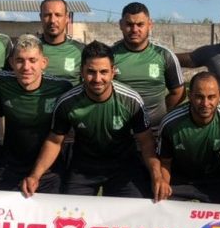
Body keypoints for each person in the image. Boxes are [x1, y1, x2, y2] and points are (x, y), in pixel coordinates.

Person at [22, 41, 167, 201]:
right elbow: (54, 142)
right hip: (84, 168)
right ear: (82, 72)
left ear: (113, 72)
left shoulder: (131, 100)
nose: (97, 79)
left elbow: (146, 143)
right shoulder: (67, 102)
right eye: (91, 72)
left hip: (123, 167)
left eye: (103, 72)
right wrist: (35, 175)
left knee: (136, 210)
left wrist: (157, 176)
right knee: (69, 211)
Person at [0, 35, 73, 192]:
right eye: (20, 60)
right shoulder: (0, 82)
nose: (26, 67)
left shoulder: (62, 88)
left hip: (49, 171)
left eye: (32, 60)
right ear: (11, 63)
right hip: (10, 168)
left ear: (44, 63)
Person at [157, 72, 220, 205]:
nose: (205, 103)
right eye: (199, 97)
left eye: (211, 97)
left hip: (213, 179)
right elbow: (165, 162)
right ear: (190, 95)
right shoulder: (170, 124)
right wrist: (163, 193)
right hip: (178, 179)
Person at [111, 2, 184, 128]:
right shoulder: (109, 56)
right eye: (129, 24)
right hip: (119, 132)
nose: (134, 29)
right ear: (121, 25)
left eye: (140, 24)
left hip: (154, 130)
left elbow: (179, 92)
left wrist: (160, 112)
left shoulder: (164, 55)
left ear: (150, 25)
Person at [39, 0, 85, 83]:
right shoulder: (30, 49)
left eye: (58, 15)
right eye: (47, 15)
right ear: (40, 17)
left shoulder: (81, 51)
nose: (52, 20)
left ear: (67, 18)